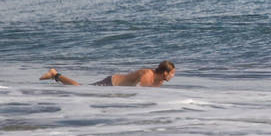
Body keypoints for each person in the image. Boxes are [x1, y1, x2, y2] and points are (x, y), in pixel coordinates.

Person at [40, 60, 176, 87]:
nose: (173, 76)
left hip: (117, 90)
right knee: (79, 88)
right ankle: (55, 74)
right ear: (165, 73)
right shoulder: (148, 74)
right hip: (111, 83)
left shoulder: (158, 82)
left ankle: (55, 75)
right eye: (172, 73)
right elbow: (144, 94)